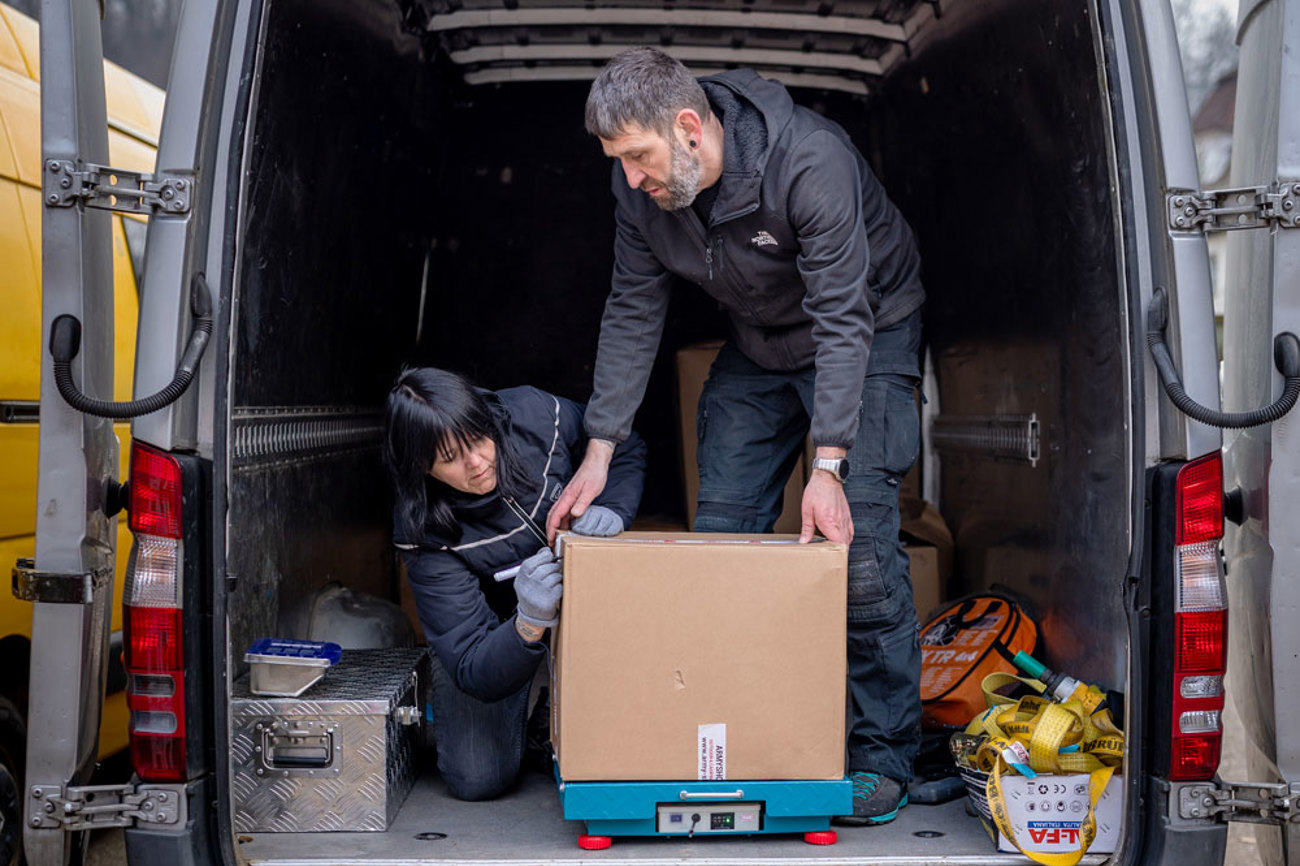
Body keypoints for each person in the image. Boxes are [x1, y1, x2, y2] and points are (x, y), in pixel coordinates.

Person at [546, 47, 926, 825]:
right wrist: (599, 448)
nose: (631, 177)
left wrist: (828, 464)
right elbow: (631, 309)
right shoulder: (643, 194)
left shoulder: (807, 161)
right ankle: (737, 731)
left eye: (639, 157)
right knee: (720, 545)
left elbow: (843, 317)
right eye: (617, 162)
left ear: (689, 128)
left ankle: (881, 755)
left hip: (867, 328)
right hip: (761, 344)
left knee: (857, 549)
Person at [384, 367, 646, 800]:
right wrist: (528, 620)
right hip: (500, 629)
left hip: (595, 601)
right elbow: (471, 660)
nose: (477, 463)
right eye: (450, 458)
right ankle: (538, 718)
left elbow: (624, 443)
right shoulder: (423, 530)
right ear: (422, 468)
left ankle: (550, 723)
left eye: (477, 439)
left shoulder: (537, 414)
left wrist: (614, 508)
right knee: (477, 778)